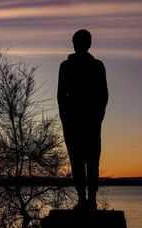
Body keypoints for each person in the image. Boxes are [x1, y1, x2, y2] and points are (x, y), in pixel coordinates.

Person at [57, 29, 108, 210]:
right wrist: (66, 119)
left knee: (86, 161)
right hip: (78, 120)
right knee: (85, 161)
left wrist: (97, 117)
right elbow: (61, 97)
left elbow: (103, 96)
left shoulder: (96, 66)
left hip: (86, 120)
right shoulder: (67, 66)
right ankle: (85, 200)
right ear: (89, 44)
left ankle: (88, 200)